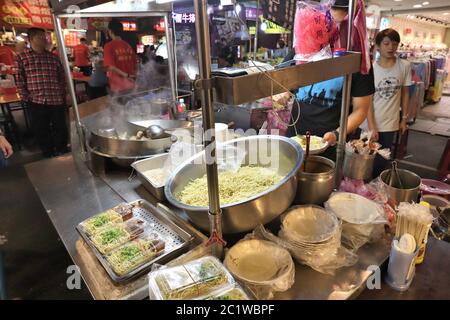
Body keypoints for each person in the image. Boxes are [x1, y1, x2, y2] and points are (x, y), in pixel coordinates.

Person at [286, 0, 374, 161]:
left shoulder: (356, 59)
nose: (334, 33)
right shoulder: (304, 48)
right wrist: (281, 91)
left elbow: (361, 109)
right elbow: (283, 79)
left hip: (329, 145)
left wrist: (337, 133)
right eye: (330, 25)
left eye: (342, 27)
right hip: (294, 138)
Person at [360, 28, 412, 176]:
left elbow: (405, 94)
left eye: (395, 44)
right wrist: (371, 125)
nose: (391, 47)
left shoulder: (404, 66)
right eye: (386, 43)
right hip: (368, 122)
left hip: (390, 123)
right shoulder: (370, 68)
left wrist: (404, 119)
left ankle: (376, 191)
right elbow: (366, 98)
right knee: (364, 159)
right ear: (377, 46)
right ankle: (360, 189)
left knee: (382, 161)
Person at [15, 28, 69, 158]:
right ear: (31, 39)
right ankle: (48, 152)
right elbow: (19, 79)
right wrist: (26, 97)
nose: (45, 39)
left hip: (55, 99)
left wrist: (64, 95)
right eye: (41, 37)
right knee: (40, 128)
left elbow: (61, 77)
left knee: (60, 127)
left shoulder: (53, 57)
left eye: (45, 37)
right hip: (36, 100)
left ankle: (61, 150)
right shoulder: (22, 57)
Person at [103, 20, 137, 94]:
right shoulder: (128, 45)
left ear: (110, 31)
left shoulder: (108, 46)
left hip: (118, 87)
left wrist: (126, 75)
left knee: (119, 105)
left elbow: (111, 67)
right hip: (131, 85)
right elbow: (135, 65)